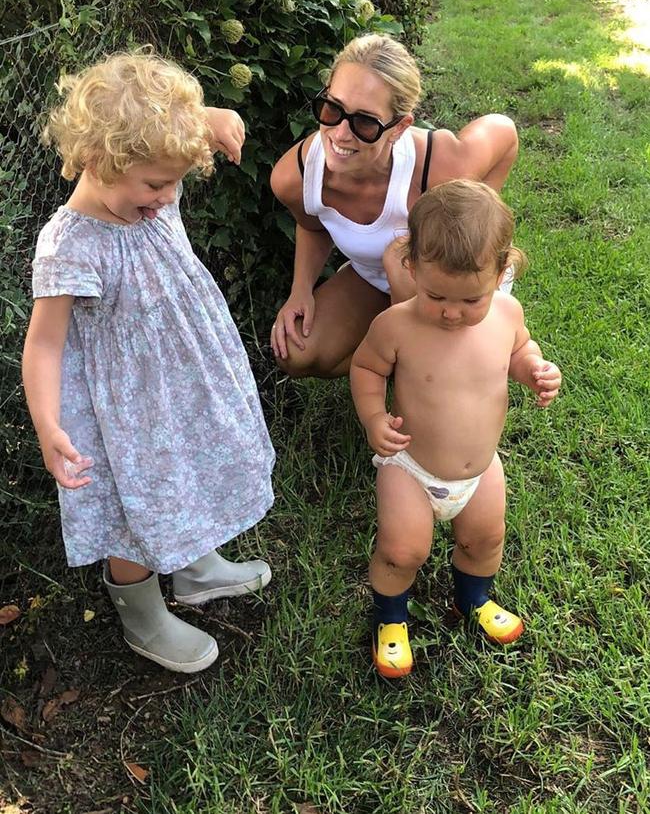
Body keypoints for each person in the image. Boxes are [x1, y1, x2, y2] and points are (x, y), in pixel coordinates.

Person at [22, 51, 275, 674]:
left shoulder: (147, 183)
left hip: (184, 384)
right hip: (128, 412)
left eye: (174, 182)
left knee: (193, 465)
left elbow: (172, 136)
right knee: (138, 506)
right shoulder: (70, 243)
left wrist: (210, 116)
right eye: (156, 184)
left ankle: (193, 568)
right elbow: (44, 343)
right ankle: (142, 613)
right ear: (98, 161)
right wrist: (48, 424)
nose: (168, 198)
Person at [350, 180, 561, 677]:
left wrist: (534, 369)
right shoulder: (397, 326)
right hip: (411, 468)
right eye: (436, 294)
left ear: (501, 272)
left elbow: (519, 351)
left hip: (481, 469)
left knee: (485, 540)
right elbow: (366, 368)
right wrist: (374, 418)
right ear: (412, 268)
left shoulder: (507, 314)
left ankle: (474, 600)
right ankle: (391, 619)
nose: (450, 311)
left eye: (470, 300)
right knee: (404, 549)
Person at [270, 33, 519, 377]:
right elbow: (312, 226)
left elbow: (504, 132)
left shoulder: (440, 167)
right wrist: (301, 291)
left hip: (445, 287)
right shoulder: (294, 176)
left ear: (399, 128)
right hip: (373, 279)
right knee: (296, 351)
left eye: (365, 123)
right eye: (332, 109)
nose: (341, 134)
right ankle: (388, 357)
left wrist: (479, 218)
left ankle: (424, 356)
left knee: (400, 259)